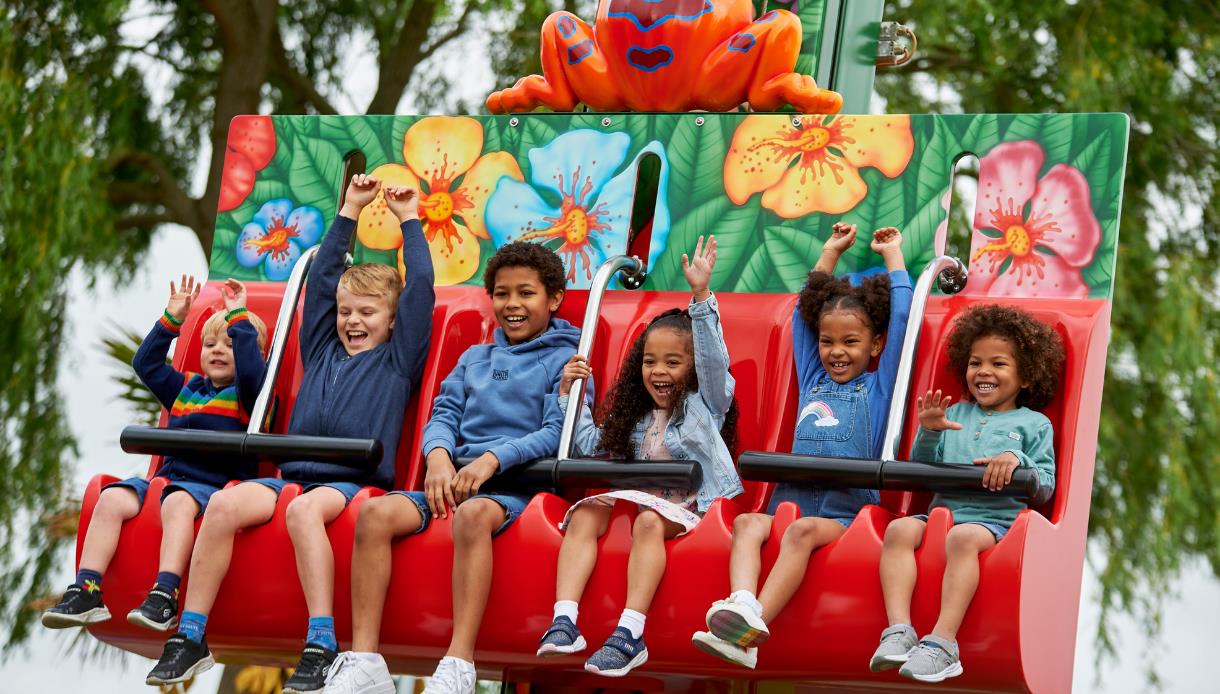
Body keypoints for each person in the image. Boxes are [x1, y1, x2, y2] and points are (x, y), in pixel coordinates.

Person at [145, 174, 433, 692]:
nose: (352, 321)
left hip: (352, 481)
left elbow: (420, 294)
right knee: (223, 504)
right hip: (292, 474)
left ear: (392, 321)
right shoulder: (321, 349)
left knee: (303, 512)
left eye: (367, 313)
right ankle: (190, 634)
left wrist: (409, 220)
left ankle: (321, 641)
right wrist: (348, 212)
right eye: (346, 312)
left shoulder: (397, 361)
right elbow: (321, 283)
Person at [322, 242, 583, 694]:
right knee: (375, 513)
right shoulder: (474, 359)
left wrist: (493, 459)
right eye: (502, 294)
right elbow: (443, 414)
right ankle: (365, 660)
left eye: (526, 293)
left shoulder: (567, 360)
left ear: (554, 298)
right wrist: (438, 455)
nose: (513, 305)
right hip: (457, 479)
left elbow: (558, 432)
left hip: (518, 487)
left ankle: (459, 663)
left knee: (474, 514)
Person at [692, 223, 912, 668]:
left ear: (875, 345)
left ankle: (749, 632)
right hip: (790, 502)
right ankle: (742, 603)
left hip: (844, 514)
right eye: (828, 341)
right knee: (748, 524)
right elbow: (801, 317)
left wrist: (894, 258)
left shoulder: (879, 387)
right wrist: (828, 253)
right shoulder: (812, 377)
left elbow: (904, 320)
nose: (836, 352)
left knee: (800, 532)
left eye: (850, 342)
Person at [534, 236, 742, 678]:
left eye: (672, 363)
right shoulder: (636, 418)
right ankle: (564, 620)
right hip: (640, 501)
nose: (659, 371)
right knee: (586, 510)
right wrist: (570, 396)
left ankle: (630, 632)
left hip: (690, 506)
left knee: (648, 521)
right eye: (650, 362)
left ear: (691, 369)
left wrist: (701, 297)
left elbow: (713, 364)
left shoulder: (705, 406)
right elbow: (587, 444)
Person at [42, 277, 267, 632]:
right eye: (210, 344)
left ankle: (165, 594)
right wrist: (171, 320)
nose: (218, 350)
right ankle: (87, 590)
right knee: (111, 497)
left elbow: (254, 373)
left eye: (230, 344)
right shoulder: (187, 388)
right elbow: (145, 364)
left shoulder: (250, 397)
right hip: (166, 481)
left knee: (177, 502)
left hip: (213, 487)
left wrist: (238, 316)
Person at [868, 303, 1063, 683]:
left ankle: (943, 643)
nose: (984, 371)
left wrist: (1017, 458)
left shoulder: (1034, 423)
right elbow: (923, 470)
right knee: (899, 530)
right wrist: (930, 431)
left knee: (961, 538)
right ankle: (898, 631)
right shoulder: (955, 413)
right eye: (976, 363)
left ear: (1026, 376)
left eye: (998, 363)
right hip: (942, 513)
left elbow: (1045, 485)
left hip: (994, 521)